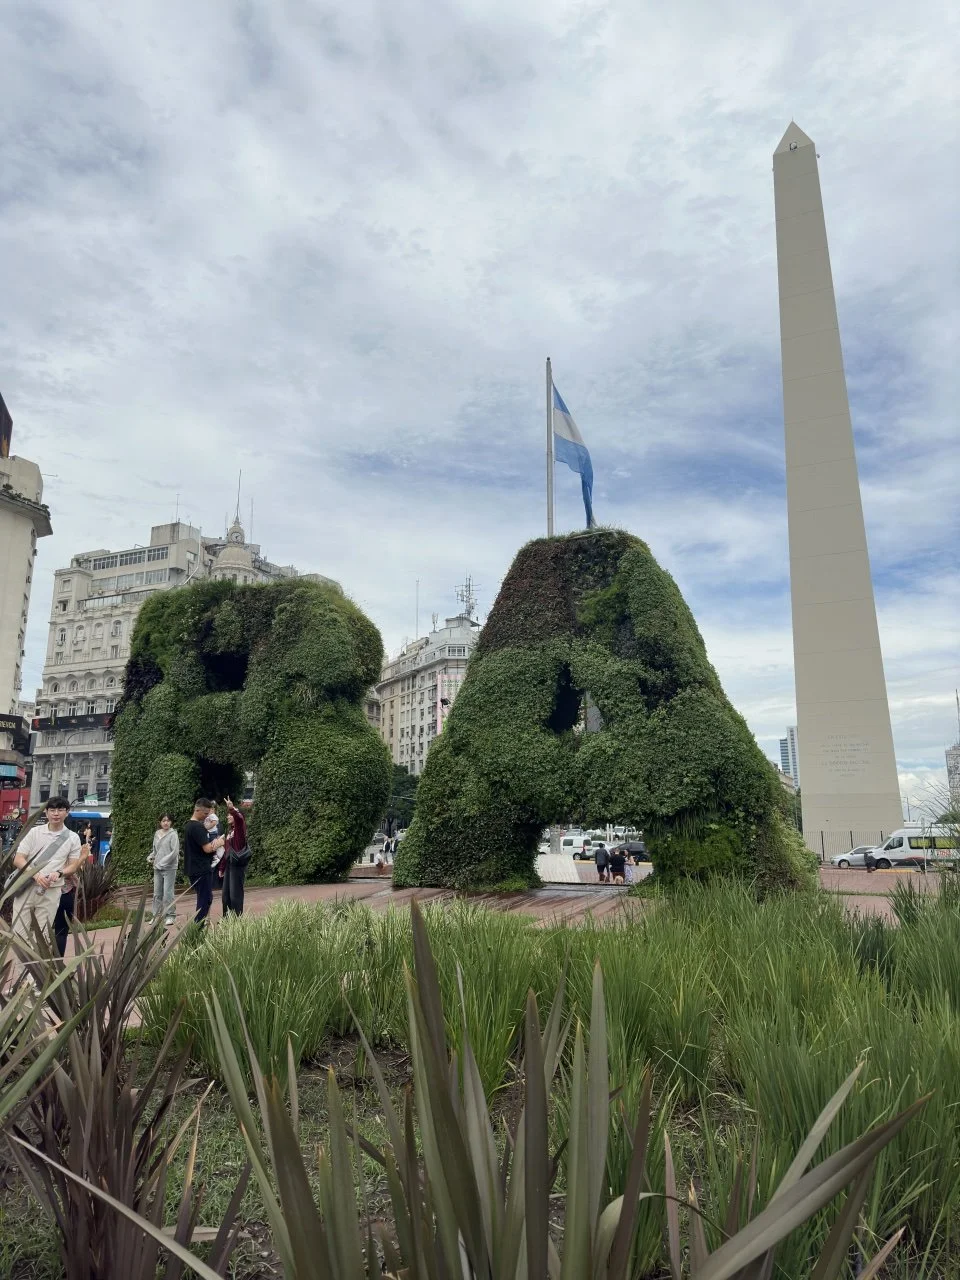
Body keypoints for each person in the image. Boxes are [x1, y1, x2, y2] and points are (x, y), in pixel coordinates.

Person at [10, 797, 90, 951]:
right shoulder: (34, 832)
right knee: (18, 936)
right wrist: (36, 875)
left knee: (43, 937)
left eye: (60, 810)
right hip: (26, 889)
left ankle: (33, 976)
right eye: (52, 810)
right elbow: (18, 859)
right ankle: (23, 974)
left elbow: (72, 866)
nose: (56, 814)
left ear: (67, 813)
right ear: (46, 812)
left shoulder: (72, 838)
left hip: (51, 892)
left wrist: (59, 873)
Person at [183, 799, 225, 927]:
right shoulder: (197, 827)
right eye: (206, 813)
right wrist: (219, 843)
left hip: (193, 868)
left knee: (205, 898)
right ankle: (197, 929)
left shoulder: (189, 825)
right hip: (201, 868)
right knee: (205, 899)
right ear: (198, 810)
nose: (207, 816)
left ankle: (198, 927)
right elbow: (207, 848)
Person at [147, 813, 180, 926]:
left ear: (171, 822)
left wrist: (162, 862)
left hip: (170, 868)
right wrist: (151, 857)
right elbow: (155, 850)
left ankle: (170, 915)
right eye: (163, 821)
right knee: (157, 893)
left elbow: (174, 852)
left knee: (168, 893)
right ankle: (156, 916)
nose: (166, 822)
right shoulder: (157, 834)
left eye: (168, 820)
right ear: (160, 822)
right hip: (157, 868)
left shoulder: (173, 834)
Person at [220, 797, 249, 917]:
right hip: (229, 865)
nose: (228, 816)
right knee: (225, 895)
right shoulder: (230, 832)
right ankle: (227, 919)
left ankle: (237, 920)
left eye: (229, 815)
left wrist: (232, 809)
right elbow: (226, 851)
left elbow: (239, 819)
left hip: (237, 866)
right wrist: (222, 867)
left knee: (235, 895)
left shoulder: (239, 831)